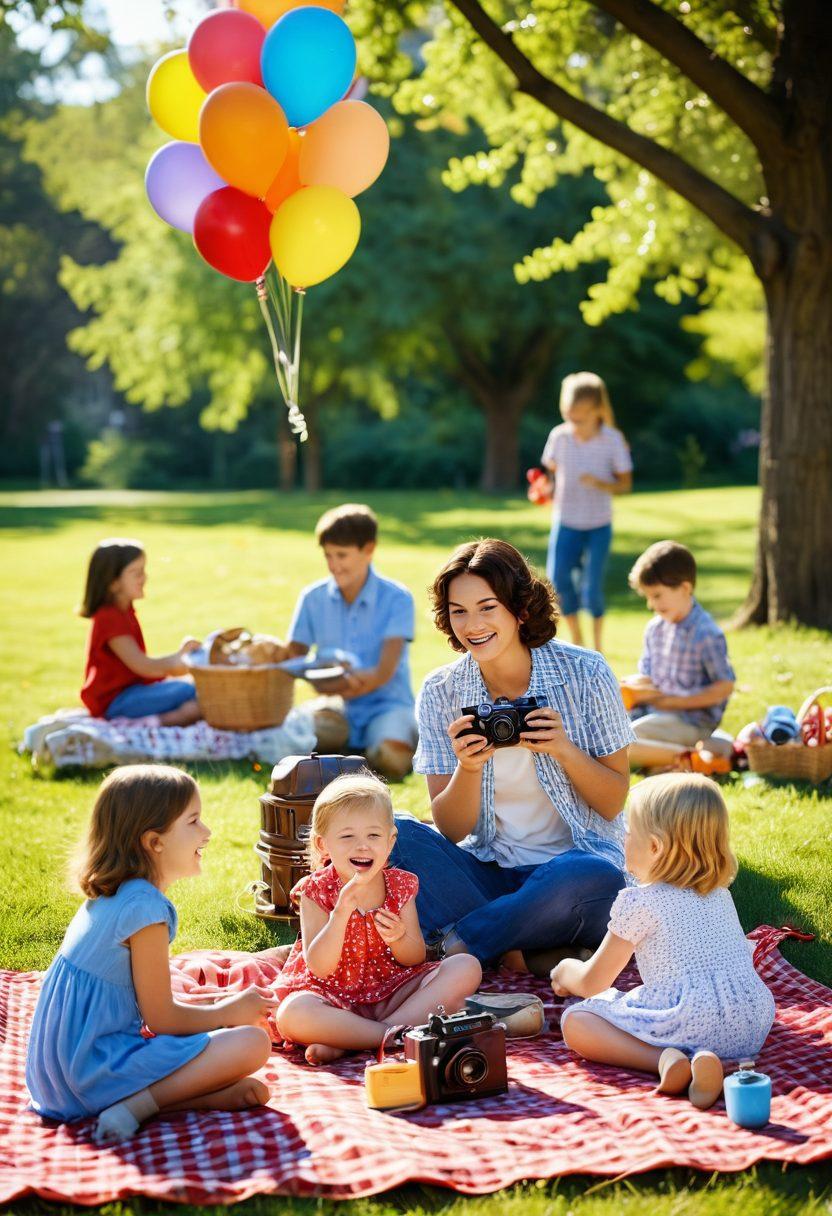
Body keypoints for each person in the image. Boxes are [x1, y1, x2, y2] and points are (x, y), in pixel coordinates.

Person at [389, 538, 634, 977]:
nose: (472, 625)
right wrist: (467, 768)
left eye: (487, 607)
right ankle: (519, 945)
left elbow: (613, 801)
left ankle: (456, 945)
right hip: (490, 874)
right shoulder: (441, 691)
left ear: (520, 608)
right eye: (458, 611)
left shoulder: (586, 672)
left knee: (594, 875)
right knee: (394, 835)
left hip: (572, 875)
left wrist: (563, 748)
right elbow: (450, 828)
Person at [25, 765, 275, 1143]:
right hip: (90, 1074)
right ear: (154, 842)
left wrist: (223, 1003)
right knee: (252, 1042)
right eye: (193, 821)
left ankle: (191, 1099)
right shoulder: (145, 910)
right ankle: (135, 1106)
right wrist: (227, 1013)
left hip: (54, 1079)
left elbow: (145, 1004)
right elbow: (161, 1018)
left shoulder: (116, 894)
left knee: (230, 1032)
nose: (206, 833)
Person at [553, 773, 775, 1110]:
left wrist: (565, 972)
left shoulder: (639, 902)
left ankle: (664, 1060)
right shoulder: (720, 895)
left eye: (627, 834)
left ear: (655, 847)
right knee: (685, 1020)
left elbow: (592, 983)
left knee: (576, 1022)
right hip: (749, 1024)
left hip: (688, 1018)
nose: (622, 840)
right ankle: (709, 1061)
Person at [274, 773, 482, 1065]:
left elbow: (414, 958)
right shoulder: (317, 890)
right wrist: (340, 913)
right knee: (292, 1014)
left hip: (393, 992)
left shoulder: (399, 886)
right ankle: (392, 1035)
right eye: (348, 837)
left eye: (373, 836)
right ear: (323, 845)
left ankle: (357, 1039)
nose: (362, 846)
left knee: (466, 966)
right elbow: (320, 968)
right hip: (333, 997)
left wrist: (399, 938)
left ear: (390, 840)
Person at [286, 504, 418, 780]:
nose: (334, 565)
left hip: (387, 705)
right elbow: (292, 659)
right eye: (328, 555)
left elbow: (383, 673)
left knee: (391, 759)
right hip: (336, 704)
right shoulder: (313, 597)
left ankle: (363, 752)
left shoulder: (397, 598)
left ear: (368, 549)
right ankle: (347, 754)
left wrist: (345, 680)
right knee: (298, 738)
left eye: (342, 555)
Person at [622, 540, 736, 770]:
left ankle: (697, 760)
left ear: (685, 589)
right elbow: (648, 677)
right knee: (602, 732)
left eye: (657, 595)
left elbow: (724, 686)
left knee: (622, 743)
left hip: (691, 721)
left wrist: (676, 702)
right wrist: (631, 688)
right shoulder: (655, 629)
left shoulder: (706, 634)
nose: (651, 604)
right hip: (654, 713)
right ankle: (696, 753)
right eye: (648, 597)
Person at [541, 372, 632, 653]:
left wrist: (600, 483)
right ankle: (577, 640)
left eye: (580, 418)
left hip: (597, 524)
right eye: (569, 416)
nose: (574, 423)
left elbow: (625, 485)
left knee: (591, 587)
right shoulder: (559, 436)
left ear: (597, 410)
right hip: (566, 520)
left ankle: (598, 646)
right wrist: (546, 489)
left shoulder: (612, 440)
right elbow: (551, 473)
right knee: (558, 581)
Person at [79, 538, 201, 725]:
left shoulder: (124, 610)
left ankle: (160, 719)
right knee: (193, 692)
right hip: (114, 701)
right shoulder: (109, 617)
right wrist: (180, 659)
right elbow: (142, 666)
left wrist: (180, 662)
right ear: (113, 583)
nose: (144, 577)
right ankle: (148, 724)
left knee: (198, 694)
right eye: (136, 573)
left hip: (133, 691)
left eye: (143, 570)